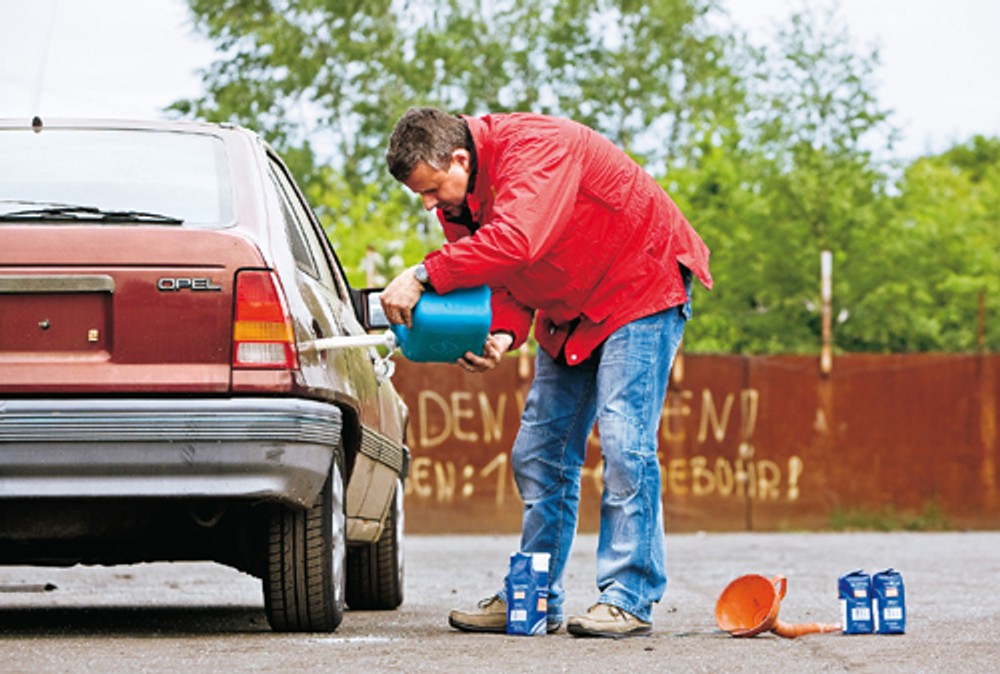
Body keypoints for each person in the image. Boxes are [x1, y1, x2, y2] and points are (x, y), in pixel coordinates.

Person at [379, 107, 712, 638]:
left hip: (638, 285)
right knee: (540, 451)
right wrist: (504, 335)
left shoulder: (534, 149)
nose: (429, 203)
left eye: (433, 188)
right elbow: (503, 273)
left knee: (625, 440)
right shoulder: (461, 202)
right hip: (572, 308)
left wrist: (423, 274)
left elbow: (517, 242)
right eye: (421, 194)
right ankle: (534, 594)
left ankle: (629, 596)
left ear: (460, 158)